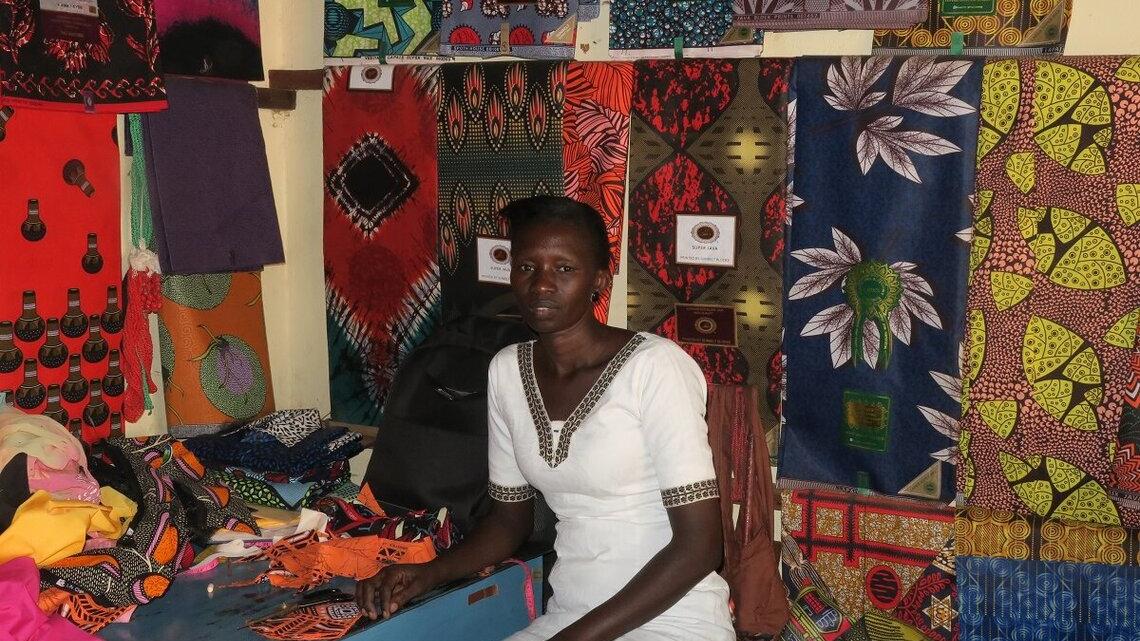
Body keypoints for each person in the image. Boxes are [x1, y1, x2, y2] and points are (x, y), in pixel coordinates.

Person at [356, 196, 734, 641]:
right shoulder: (507, 371)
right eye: (527, 267)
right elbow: (508, 522)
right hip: (570, 615)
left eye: (564, 269)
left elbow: (700, 547)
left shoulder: (654, 368)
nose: (541, 285)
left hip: (673, 619)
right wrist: (427, 574)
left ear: (599, 280)